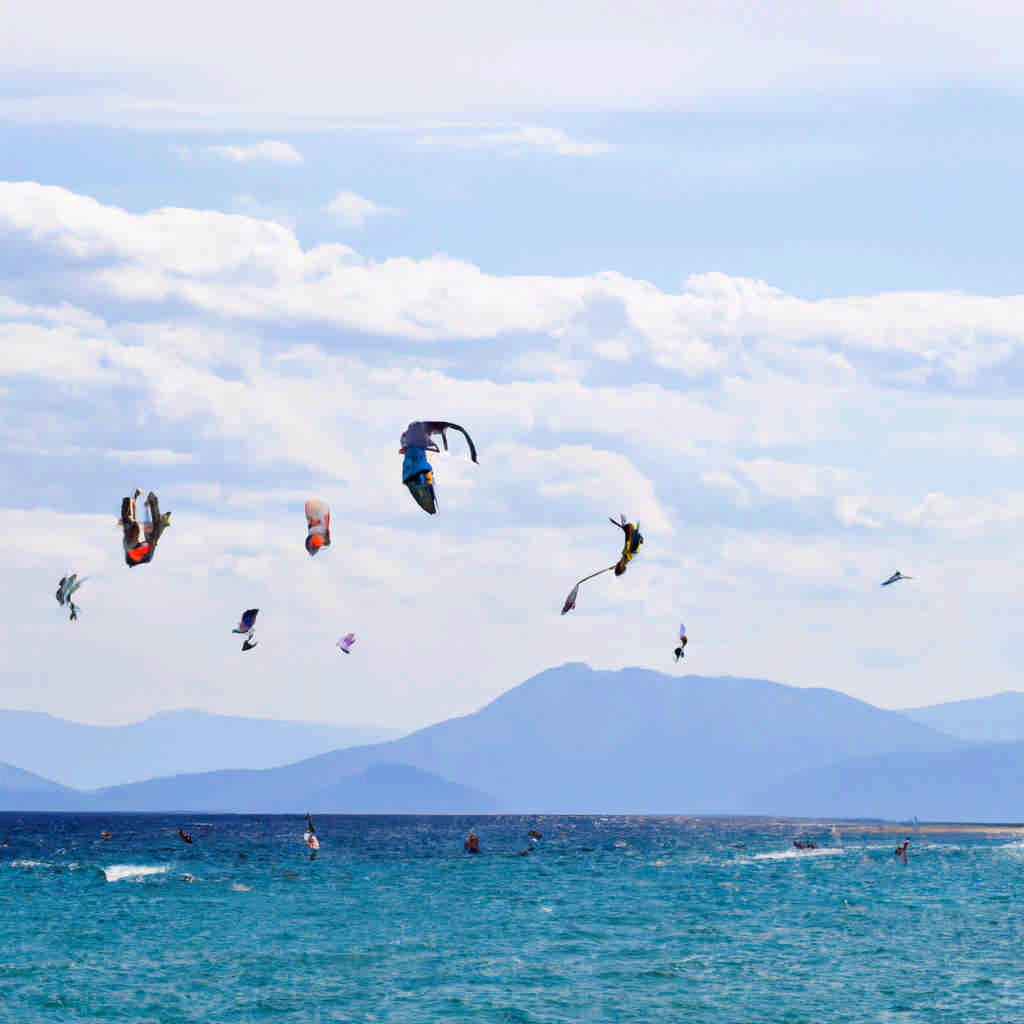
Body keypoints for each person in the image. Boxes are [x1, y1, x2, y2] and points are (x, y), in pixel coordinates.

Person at [121, 489, 169, 567]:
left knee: (151, 535)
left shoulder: (132, 540)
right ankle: (153, 504)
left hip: (139, 555)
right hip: (138, 555)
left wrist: (135, 497)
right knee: (152, 536)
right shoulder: (132, 541)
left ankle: (153, 504)